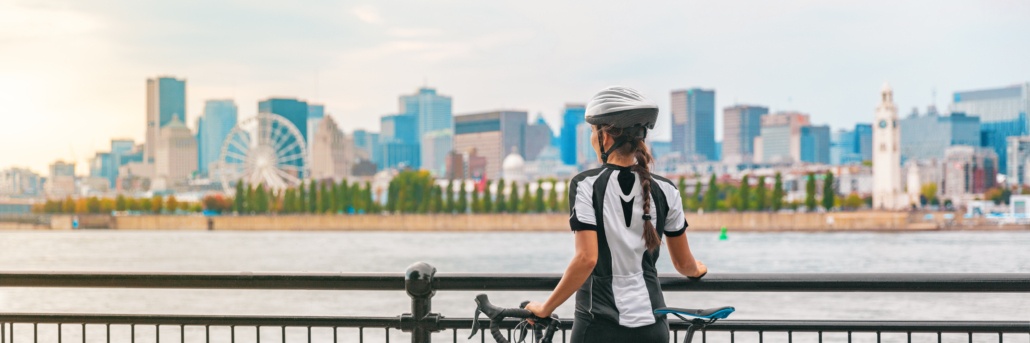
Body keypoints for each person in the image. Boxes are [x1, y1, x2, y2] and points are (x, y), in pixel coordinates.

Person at [525, 86, 707, 343]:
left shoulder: (586, 184)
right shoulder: (666, 189)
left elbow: (586, 258)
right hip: (652, 326)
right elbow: (684, 264)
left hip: (598, 325)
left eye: (592, 131)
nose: (591, 138)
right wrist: (699, 269)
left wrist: (546, 307)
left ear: (606, 138)